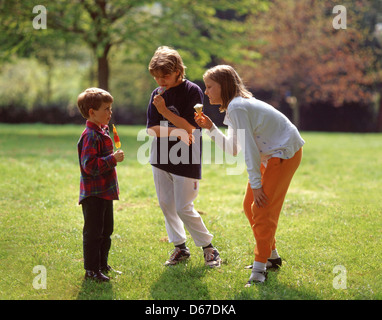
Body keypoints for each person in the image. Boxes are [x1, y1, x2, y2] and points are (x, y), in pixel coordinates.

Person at [195, 65, 304, 285]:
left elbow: (250, 151)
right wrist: (211, 128)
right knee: (249, 205)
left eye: (209, 87)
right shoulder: (234, 108)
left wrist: (256, 184)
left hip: (283, 154)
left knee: (262, 208)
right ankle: (271, 257)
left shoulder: (238, 107)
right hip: (271, 156)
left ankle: (259, 269)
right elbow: (234, 148)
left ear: (224, 86)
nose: (206, 92)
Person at [146, 46, 221, 267]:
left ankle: (209, 248)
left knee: (183, 206)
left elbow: (191, 129)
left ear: (178, 70)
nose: (160, 81)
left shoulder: (193, 91)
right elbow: (151, 129)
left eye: (165, 76)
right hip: (160, 156)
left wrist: (165, 114)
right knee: (166, 204)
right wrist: (175, 131)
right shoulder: (157, 94)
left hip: (186, 157)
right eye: (156, 77)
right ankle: (180, 248)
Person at [77, 87, 125, 282]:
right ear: (92, 112)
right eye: (106, 108)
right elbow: (89, 166)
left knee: (106, 231)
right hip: (93, 194)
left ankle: (102, 265)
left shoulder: (103, 131)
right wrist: (112, 159)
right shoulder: (90, 135)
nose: (110, 112)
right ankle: (91, 270)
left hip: (105, 191)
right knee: (94, 233)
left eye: (110, 108)